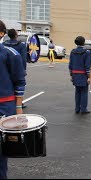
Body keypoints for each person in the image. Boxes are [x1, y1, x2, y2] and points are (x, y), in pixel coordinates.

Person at [0, 20, 26, 179]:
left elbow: (19, 81)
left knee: (1, 152)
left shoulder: (10, 54)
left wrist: (18, 108)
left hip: (4, 107)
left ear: (1, 34)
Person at [3, 28, 28, 109]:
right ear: (16, 35)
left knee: (8, 85)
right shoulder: (21, 45)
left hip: (5, 68)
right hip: (17, 68)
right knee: (18, 85)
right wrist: (24, 70)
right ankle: (19, 103)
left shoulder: (4, 44)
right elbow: (23, 59)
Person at [68, 36, 91, 114]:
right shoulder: (87, 52)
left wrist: (71, 75)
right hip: (83, 75)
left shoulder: (72, 52)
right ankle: (83, 109)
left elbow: (70, 65)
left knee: (77, 92)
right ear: (83, 42)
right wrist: (89, 77)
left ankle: (77, 108)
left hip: (75, 75)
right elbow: (87, 66)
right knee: (84, 92)